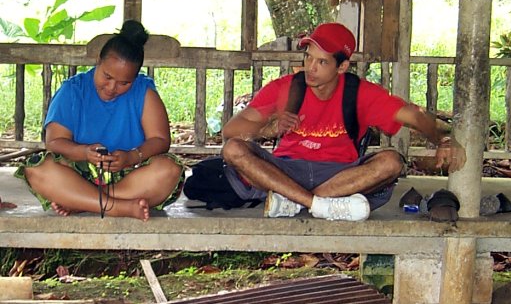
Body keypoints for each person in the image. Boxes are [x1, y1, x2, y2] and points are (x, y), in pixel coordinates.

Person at [221, 22, 465, 221]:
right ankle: (315, 204)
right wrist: (269, 129)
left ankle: (293, 202)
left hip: (339, 177)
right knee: (232, 149)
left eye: (322, 62)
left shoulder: (360, 93)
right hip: (286, 169)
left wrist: (444, 139)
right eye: (308, 58)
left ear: (343, 66)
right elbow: (231, 131)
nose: (310, 68)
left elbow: (415, 116)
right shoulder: (285, 88)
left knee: (392, 162)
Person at [14, 20, 184, 221]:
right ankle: (117, 207)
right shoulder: (72, 90)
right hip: (79, 173)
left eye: (124, 83)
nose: (112, 87)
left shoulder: (144, 92)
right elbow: (54, 142)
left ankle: (80, 201)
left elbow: (160, 140)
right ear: (98, 61)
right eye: (107, 76)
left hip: (129, 175)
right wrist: (84, 152)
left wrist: (131, 157)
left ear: (136, 77)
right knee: (36, 168)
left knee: (170, 170)